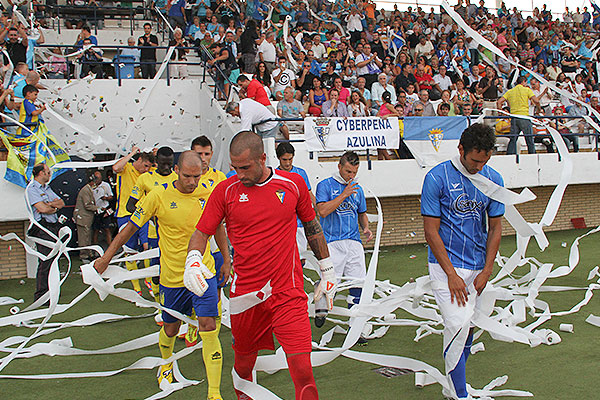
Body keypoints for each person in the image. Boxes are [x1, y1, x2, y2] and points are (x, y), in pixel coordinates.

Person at [187, 131, 335, 400]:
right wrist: (193, 260)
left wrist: (327, 270)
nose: (239, 174)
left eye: (245, 167)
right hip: (245, 296)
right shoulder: (226, 191)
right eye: (234, 168)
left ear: (263, 158)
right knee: (243, 366)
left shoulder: (293, 184)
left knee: (302, 369)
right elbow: (201, 232)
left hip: (287, 292)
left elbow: (313, 227)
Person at [95, 151, 229, 400]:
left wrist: (226, 260)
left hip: (204, 273)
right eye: (187, 176)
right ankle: (166, 364)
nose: (192, 182)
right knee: (170, 328)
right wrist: (106, 258)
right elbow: (129, 229)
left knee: (209, 326)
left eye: (197, 177)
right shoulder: (158, 195)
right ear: (177, 170)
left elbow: (217, 227)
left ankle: (214, 393)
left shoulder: (208, 193)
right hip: (173, 277)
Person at [421, 123, 503, 400]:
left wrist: (488, 269)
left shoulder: (493, 179)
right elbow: (431, 230)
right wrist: (451, 274)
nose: (480, 166)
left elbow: (495, 228)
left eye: (485, 160)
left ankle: (454, 387)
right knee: (456, 326)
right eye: (475, 160)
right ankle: (460, 394)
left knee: (467, 329)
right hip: (446, 267)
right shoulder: (437, 177)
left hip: (478, 267)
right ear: (461, 150)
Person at [315, 151, 372, 337]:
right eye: (348, 171)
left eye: (354, 172)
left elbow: (362, 213)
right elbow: (322, 211)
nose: (351, 176)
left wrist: (365, 228)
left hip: (354, 243)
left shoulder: (358, 189)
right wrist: (344, 194)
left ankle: (357, 327)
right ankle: (321, 309)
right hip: (332, 242)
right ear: (339, 167)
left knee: (358, 283)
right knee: (330, 283)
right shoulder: (325, 185)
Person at [125, 146, 177, 302]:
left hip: (174, 233)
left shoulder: (178, 178)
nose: (167, 167)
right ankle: (158, 302)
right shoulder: (145, 179)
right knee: (156, 270)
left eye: (169, 164)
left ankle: (172, 303)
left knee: (174, 270)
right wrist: (149, 216)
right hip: (154, 233)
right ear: (156, 162)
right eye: (163, 164)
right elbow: (130, 205)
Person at [112, 146, 155, 295]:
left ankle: (148, 280)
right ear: (139, 160)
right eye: (145, 165)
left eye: (149, 166)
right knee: (130, 252)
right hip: (125, 214)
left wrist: (155, 156)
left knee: (147, 246)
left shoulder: (149, 174)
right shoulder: (126, 168)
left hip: (144, 214)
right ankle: (136, 287)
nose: (146, 169)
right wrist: (131, 153)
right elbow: (116, 167)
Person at [26, 163, 65, 301]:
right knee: (45, 260)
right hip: (42, 228)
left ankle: (51, 291)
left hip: (53, 226)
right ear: (41, 173)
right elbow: (42, 209)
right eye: (48, 172)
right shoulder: (32, 189)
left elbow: (61, 203)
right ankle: (41, 295)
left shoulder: (47, 188)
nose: (49, 175)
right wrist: (50, 206)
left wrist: (50, 205)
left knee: (54, 259)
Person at [275, 142, 316, 257]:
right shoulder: (274, 175)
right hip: (281, 225)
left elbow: (309, 194)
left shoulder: (301, 173)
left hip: (299, 224)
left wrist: (319, 209)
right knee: (283, 258)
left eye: (290, 159)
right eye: (284, 160)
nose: (288, 163)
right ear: (278, 158)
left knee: (300, 258)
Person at [225, 100, 281, 165]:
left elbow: (244, 131)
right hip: (261, 126)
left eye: (233, 113)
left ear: (236, 108)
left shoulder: (245, 112)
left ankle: (271, 163)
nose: (234, 116)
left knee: (267, 147)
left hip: (269, 126)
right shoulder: (243, 103)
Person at [496, 76, 541, 155]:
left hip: (514, 117)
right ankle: (532, 156)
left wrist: (500, 112)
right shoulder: (527, 90)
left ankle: (509, 156)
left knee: (513, 139)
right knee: (529, 139)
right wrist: (538, 110)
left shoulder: (510, 91)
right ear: (523, 82)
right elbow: (536, 101)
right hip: (524, 116)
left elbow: (499, 102)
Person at [74, 174, 99, 264]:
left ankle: (89, 253)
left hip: (87, 218)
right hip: (82, 217)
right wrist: (97, 208)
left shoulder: (88, 189)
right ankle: (84, 255)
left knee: (87, 236)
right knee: (83, 237)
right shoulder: (85, 190)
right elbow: (87, 204)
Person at [91, 170, 114, 247]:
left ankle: (110, 246)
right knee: (96, 230)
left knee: (107, 229)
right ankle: (95, 247)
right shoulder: (91, 186)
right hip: (96, 210)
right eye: (96, 178)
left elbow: (111, 196)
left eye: (99, 178)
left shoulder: (106, 185)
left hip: (104, 209)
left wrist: (106, 198)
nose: (97, 180)